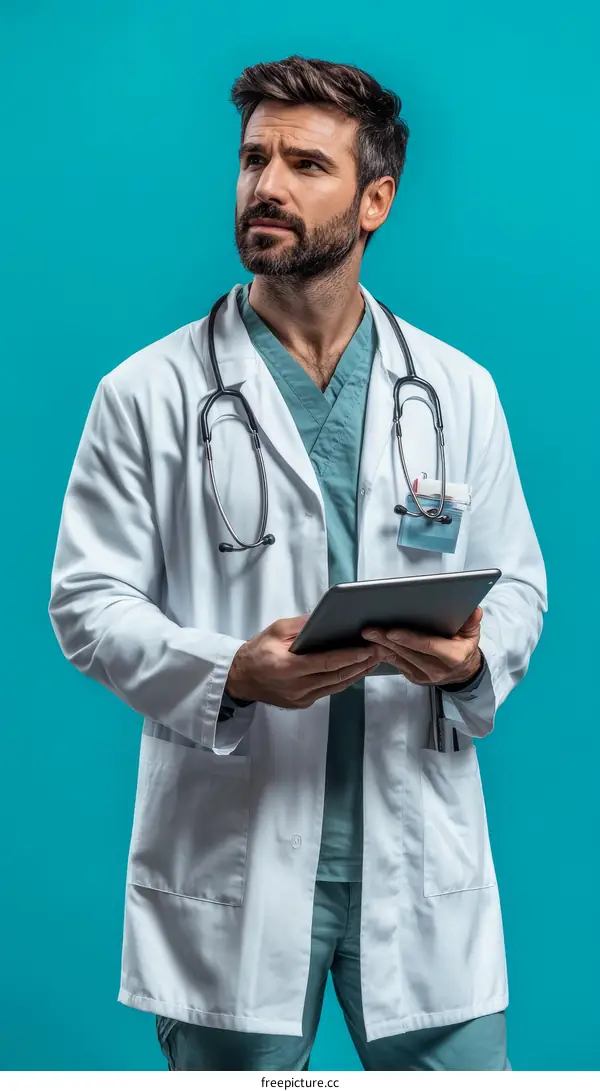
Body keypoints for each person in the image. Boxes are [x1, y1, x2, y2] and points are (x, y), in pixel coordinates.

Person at [48, 55, 547, 1072]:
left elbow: (519, 585)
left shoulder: (457, 390)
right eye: (253, 159)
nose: (265, 185)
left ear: (375, 201)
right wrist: (232, 670)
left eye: (305, 165)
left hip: (416, 849)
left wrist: (471, 660)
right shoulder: (145, 392)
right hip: (235, 854)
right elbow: (88, 601)